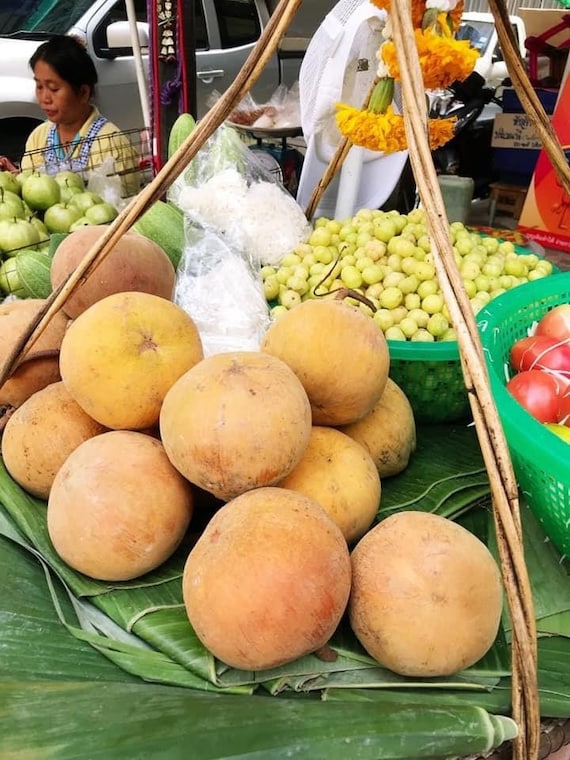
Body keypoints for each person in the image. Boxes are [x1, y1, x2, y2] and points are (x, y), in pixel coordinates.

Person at [18, 35, 142, 197]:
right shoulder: (38, 137)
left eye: (54, 88)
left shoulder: (111, 144)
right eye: (39, 86)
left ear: (83, 92)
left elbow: (124, 206)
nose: (45, 98)